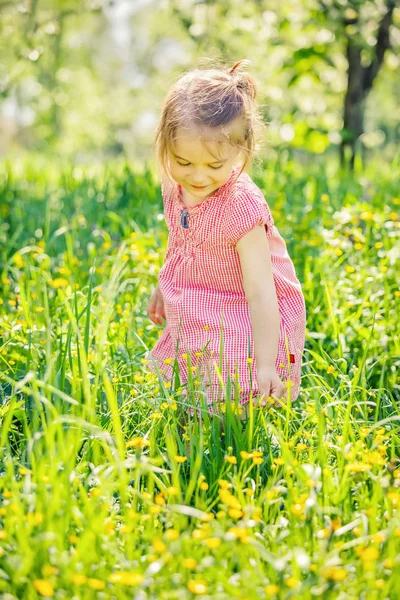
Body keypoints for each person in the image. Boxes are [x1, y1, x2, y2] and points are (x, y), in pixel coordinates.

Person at [145, 59, 307, 421]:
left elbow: (261, 293)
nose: (198, 177)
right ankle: (195, 418)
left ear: (240, 151)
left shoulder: (240, 208)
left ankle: (232, 429)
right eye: (183, 162)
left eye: (214, 165)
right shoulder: (177, 186)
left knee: (234, 381)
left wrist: (265, 365)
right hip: (203, 291)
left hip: (248, 310)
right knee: (191, 375)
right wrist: (163, 282)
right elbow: (181, 240)